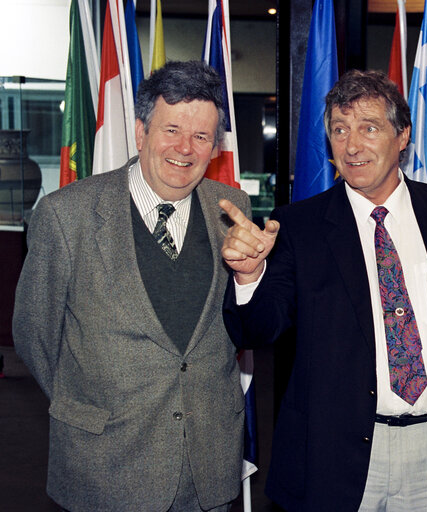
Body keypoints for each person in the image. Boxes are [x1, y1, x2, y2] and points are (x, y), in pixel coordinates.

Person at [219, 69, 427, 511]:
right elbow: (258, 330)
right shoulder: (299, 226)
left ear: (402, 137)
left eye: (369, 128)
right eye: (339, 130)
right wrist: (249, 276)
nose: (352, 146)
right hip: (336, 455)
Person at [12, 60, 251, 512]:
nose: (185, 148)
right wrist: (88, 407)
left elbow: (245, 321)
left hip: (208, 469)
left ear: (215, 147)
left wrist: (253, 276)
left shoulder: (232, 209)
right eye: (172, 130)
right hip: (104, 467)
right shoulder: (67, 216)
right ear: (141, 132)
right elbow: (33, 334)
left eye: (201, 137)